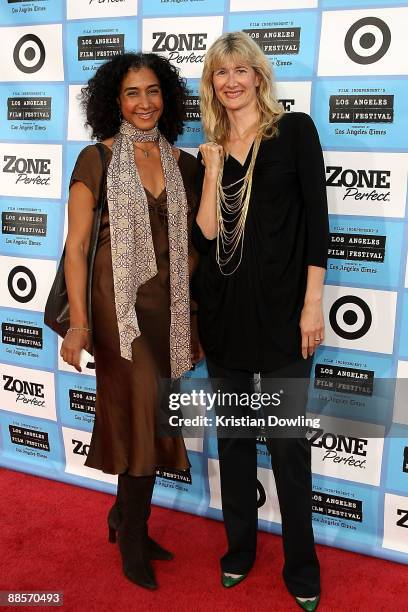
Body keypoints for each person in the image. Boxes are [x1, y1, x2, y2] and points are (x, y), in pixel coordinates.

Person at [192, 32, 329, 611]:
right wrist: (211, 165)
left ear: (259, 76)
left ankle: (302, 567)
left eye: (241, 70)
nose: (231, 81)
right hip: (225, 319)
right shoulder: (213, 146)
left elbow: (318, 223)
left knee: (290, 447)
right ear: (212, 83)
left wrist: (312, 302)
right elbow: (205, 231)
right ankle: (240, 552)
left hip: (282, 320)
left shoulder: (294, 132)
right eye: (221, 73)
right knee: (238, 441)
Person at [60, 52, 199, 590]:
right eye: (131, 93)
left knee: (152, 414)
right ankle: (134, 534)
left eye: (152, 91)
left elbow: (199, 238)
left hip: (171, 309)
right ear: (113, 102)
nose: (144, 103)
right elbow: (75, 248)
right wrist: (78, 324)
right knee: (142, 412)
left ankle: (122, 516)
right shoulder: (96, 159)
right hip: (116, 309)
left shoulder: (184, 164)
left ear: (166, 97)